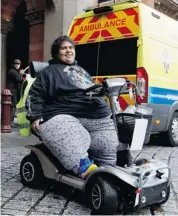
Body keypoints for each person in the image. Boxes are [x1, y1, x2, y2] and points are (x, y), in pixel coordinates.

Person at [26, 35, 133, 178]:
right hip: (64, 113)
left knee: (108, 144)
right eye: (64, 48)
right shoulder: (49, 72)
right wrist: (35, 116)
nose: (68, 51)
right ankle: (84, 167)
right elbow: (35, 94)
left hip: (96, 114)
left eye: (71, 48)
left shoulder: (80, 70)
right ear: (57, 53)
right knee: (68, 135)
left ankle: (109, 168)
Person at [7, 59, 23, 127]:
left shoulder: (15, 71)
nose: (17, 65)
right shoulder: (12, 71)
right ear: (13, 65)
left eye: (18, 64)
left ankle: (11, 121)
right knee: (13, 106)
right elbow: (19, 79)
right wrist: (21, 74)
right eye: (16, 64)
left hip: (15, 91)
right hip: (13, 91)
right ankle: (10, 122)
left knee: (14, 106)